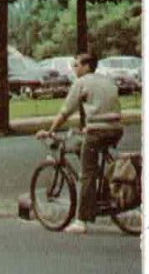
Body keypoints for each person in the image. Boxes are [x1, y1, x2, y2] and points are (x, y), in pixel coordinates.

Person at [41, 52, 124, 222]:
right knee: (82, 146)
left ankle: (82, 221)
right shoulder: (107, 80)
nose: (74, 69)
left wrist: (51, 131)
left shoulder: (81, 83)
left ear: (86, 66)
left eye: (76, 65)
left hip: (97, 132)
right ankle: (103, 189)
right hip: (116, 130)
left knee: (87, 173)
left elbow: (65, 112)